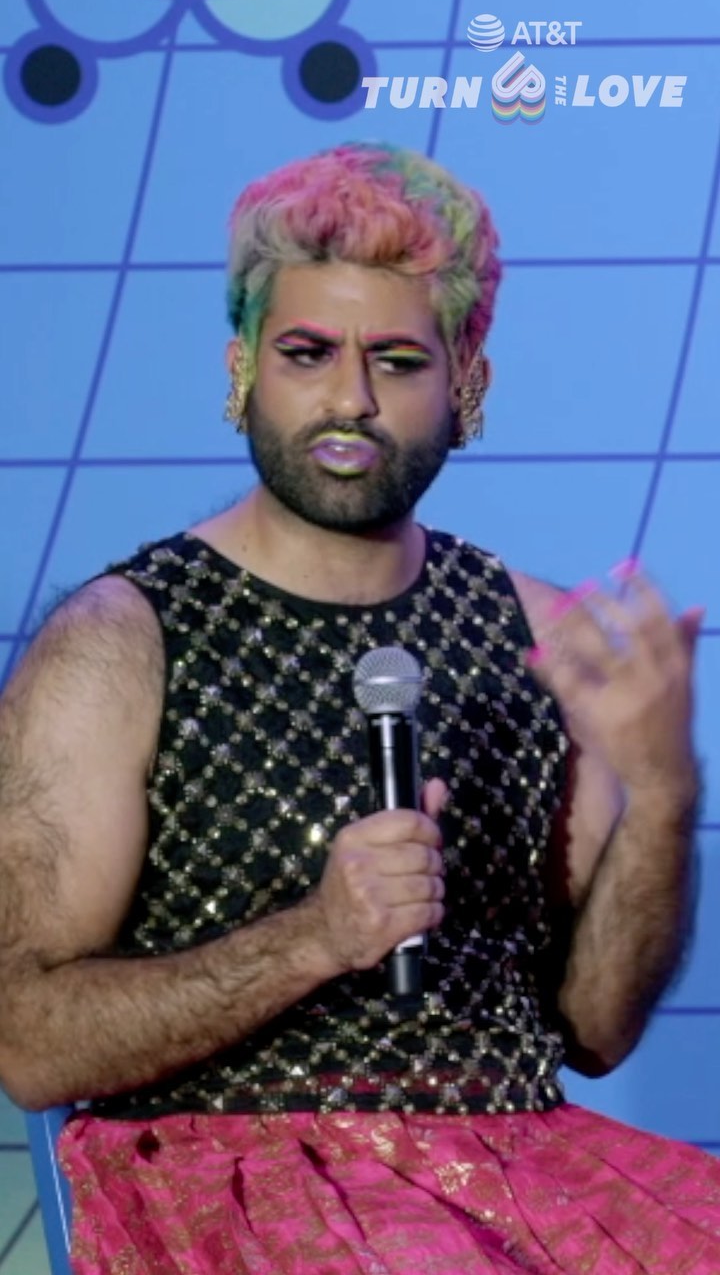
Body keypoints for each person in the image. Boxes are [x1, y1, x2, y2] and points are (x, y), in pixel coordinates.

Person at [0, 141, 717, 1275]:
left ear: (467, 380)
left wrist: (666, 792)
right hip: (226, 1172)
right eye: (307, 354)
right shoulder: (118, 644)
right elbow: (29, 1043)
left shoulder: (543, 640)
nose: (349, 401)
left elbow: (592, 1031)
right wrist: (318, 937)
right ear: (243, 366)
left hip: (524, 1172)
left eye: (396, 360)